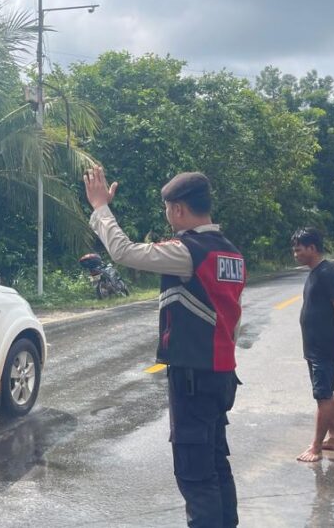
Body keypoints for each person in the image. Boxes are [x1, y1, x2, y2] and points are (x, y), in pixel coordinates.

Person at [84, 166, 245, 528]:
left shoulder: (187, 251)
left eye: (167, 209)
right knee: (216, 464)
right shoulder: (232, 254)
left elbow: (123, 251)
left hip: (193, 378)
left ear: (178, 209)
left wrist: (100, 208)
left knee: (195, 475)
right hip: (221, 376)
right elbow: (233, 317)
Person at [291, 228, 334, 463]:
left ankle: (316, 447)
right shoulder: (316, 272)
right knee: (327, 393)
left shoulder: (327, 273)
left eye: (299, 249)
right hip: (316, 346)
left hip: (324, 347)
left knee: (323, 395)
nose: (295, 254)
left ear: (312, 248)